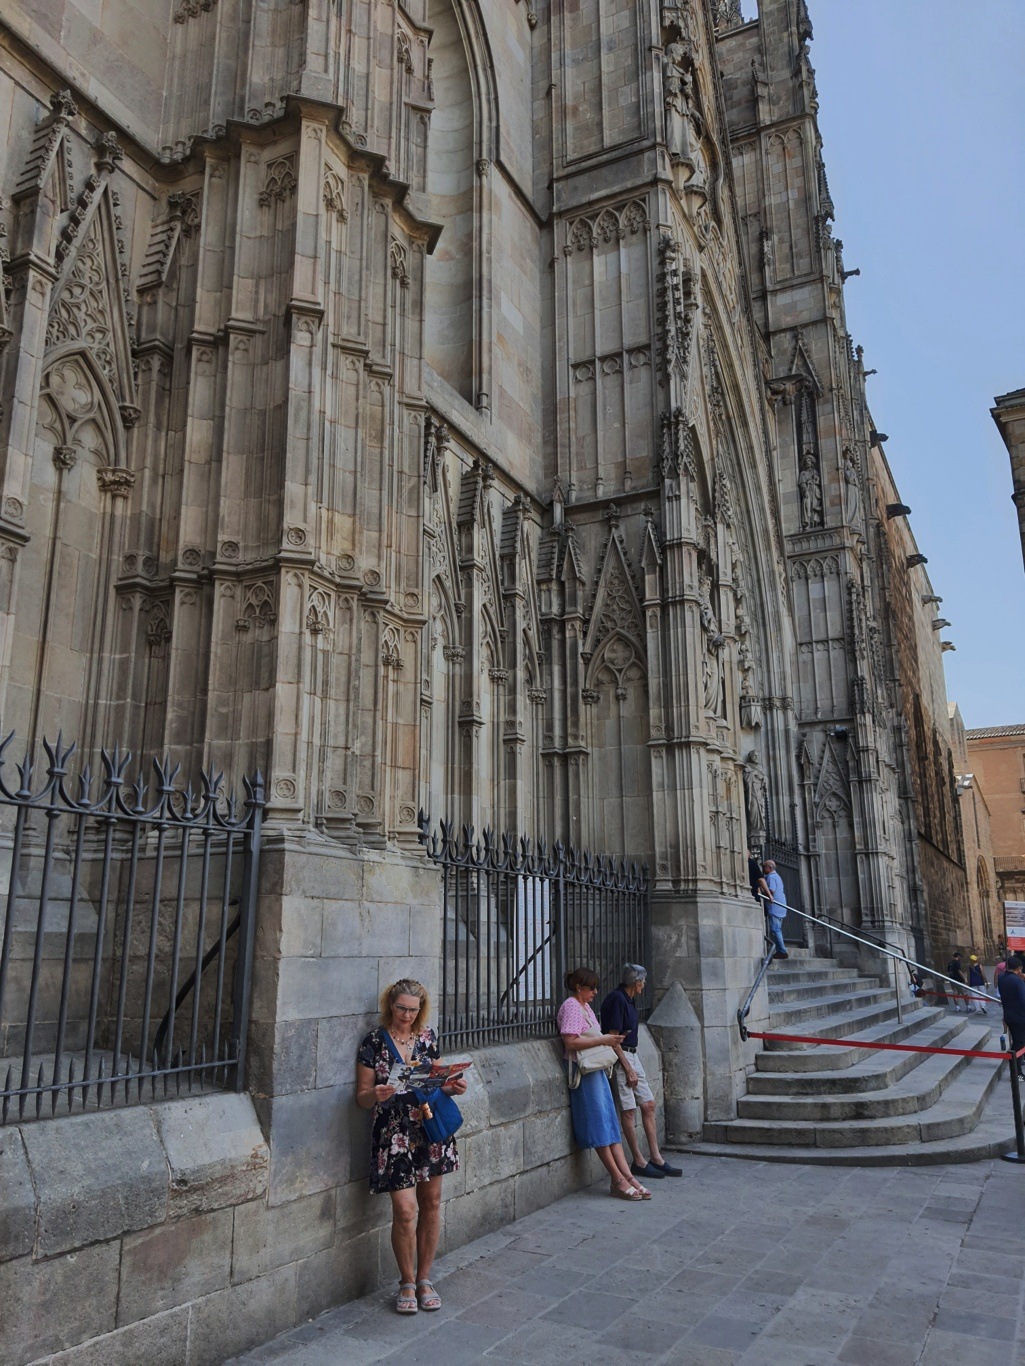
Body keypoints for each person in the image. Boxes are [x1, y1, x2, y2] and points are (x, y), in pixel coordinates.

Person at [356, 978, 468, 1315]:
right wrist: (373, 1095)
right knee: (405, 1210)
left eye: (413, 1009)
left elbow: (435, 1082)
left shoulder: (427, 1038)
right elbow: (360, 1098)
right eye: (401, 1008)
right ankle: (405, 1281)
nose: (407, 1015)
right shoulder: (374, 1042)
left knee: (431, 1203)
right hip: (393, 1135)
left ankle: (424, 1279)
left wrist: (453, 1086)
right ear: (391, 1004)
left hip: (428, 1127)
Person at [558, 967, 652, 1202]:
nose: (595, 992)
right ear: (580, 987)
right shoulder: (571, 1006)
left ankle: (627, 1176)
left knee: (610, 1123)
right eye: (591, 988)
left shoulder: (585, 1007)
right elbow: (570, 1041)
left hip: (597, 1070)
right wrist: (605, 1040)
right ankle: (617, 1178)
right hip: (586, 1072)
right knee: (601, 1124)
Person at [599, 964, 682, 1181]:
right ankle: (638, 1160)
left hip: (631, 1054)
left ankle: (656, 1157)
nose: (644, 986)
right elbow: (613, 1037)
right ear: (637, 983)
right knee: (629, 1110)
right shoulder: (618, 999)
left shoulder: (628, 998)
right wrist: (628, 1069)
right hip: (621, 1058)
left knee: (648, 1104)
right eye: (643, 982)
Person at [997, 954, 1025, 1081]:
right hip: (1020, 1017)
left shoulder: (1001, 977)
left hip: (1009, 1015)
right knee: (1019, 1044)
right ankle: (1017, 1072)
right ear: (1018, 968)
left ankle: (1017, 1065)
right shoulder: (1017, 981)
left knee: (1017, 1042)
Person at [760, 859, 789, 961]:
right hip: (780, 906)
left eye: (764, 867)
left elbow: (771, 891)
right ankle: (779, 950)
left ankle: (782, 951)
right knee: (777, 929)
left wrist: (761, 892)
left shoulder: (771, 877)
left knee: (776, 929)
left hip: (775, 907)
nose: (763, 869)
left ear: (769, 868)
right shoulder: (777, 876)